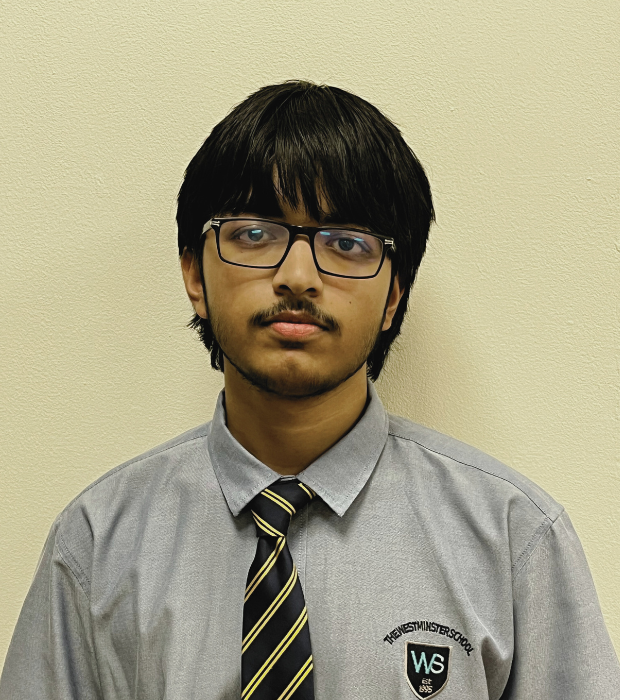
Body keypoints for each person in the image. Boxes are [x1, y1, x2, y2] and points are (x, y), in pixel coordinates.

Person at [1, 79, 618, 700]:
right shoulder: (98, 542)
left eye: (346, 243)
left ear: (393, 295)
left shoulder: (513, 539)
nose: (298, 277)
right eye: (254, 234)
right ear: (194, 274)